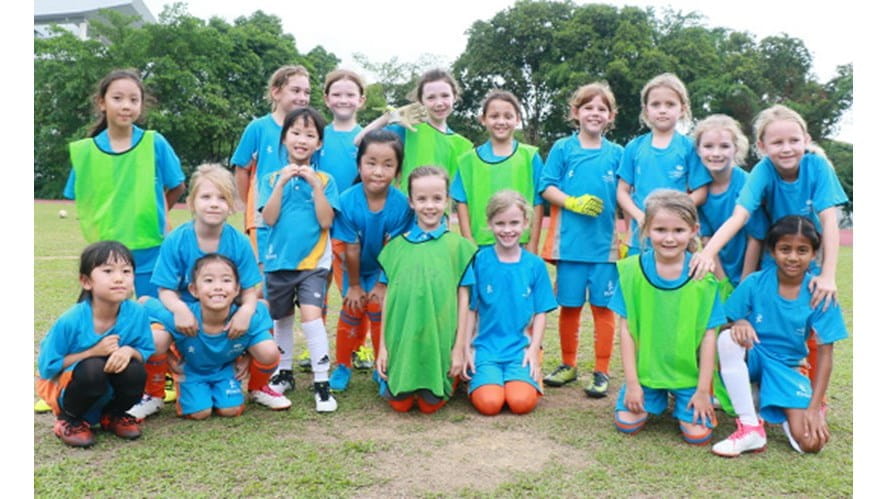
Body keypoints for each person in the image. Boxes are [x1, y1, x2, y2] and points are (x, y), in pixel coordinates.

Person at [689, 105, 849, 384]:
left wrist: (827, 275)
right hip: (777, 254)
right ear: (762, 146)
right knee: (771, 319)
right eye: (777, 142)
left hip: (812, 254)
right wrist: (708, 253)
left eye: (793, 141)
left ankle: (809, 388)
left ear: (806, 140)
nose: (786, 148)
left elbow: (829, 220)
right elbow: (740, 216)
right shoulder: (763, 171)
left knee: (810, 316)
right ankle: (765, 381)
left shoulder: (817, 166)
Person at [127, 164, 283, 420]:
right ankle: (153, 394)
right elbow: (165, 289)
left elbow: (250, 289)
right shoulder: (177, 239)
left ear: (232, 204)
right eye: (206, 196)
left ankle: (258, 387)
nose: (214, 204)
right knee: (156, 340)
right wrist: (179, 310)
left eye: (222, 198)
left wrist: (244, 312)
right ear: (191, 202)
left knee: (266, 342)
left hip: (224, 315)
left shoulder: (239, 242)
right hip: (186, 315)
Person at [711, 216, 848, 456]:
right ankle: (750, 426)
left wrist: (814, 409)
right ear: (773, 252)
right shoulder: (755, 282)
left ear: (814, 254)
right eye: (785, 249)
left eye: (802, 250)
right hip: (755, 354)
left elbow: (826, 355)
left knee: (811, 443)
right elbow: (724, 322)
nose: (793, 257)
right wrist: (740, 322)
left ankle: (774, 401)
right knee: (727, 339)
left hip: (788, 367)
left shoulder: (820, 294)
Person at [609, 190, 724, 445]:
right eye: (660, 229)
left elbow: (708, 338)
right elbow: (626, 332)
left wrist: (704, 391)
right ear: (646, 229)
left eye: (679, 231)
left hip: (688, 376)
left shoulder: (704, 278)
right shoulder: (631, 271)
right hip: (645, 374)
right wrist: (632, 384)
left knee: (698, 435)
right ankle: (651, 394)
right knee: (626, 424)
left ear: (693, 230)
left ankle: (685, 396)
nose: (669, 238)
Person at [64, 69, 185, 298]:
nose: (126, 105)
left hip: (151, 248)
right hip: (105, 252)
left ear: (141, 105)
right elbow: (80, 196)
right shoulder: (86, 151)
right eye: (117, 98)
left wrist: (156, 213)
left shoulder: (154, 142)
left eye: (133, 99)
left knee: (154, 317)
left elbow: (177, 184)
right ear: (102, 103)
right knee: (100, 320)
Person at [538, 82, 623, 397]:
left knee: (603, 308)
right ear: (576, 112)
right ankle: (568, 364)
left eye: (602, 108)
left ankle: (601, 370)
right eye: (588, 107)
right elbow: (546, 187)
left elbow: (627, 192)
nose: (595, 113)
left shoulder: (618, 153)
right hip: (569, 246)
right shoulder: (563, 148)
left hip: (605, 249)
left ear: (610, 116)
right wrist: (571, 201)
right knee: (570, 307)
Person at [375, 166, 477, 413]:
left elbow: (465, 300)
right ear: (411, 202)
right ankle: (399, 369)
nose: (429, 206)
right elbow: (387, 299)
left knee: (431, 406)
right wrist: (382, 347)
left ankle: (443, 375)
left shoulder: (458, 247)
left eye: (436, 198)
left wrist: (459, 347)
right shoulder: (395, 248)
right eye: (421, 199)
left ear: (447, 201)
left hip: (440, 337)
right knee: (400, 404)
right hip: (403, 337)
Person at [36, 241, 155, 447]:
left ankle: (114, 415)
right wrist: (92, 352)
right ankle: (70, 420)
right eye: (108, 271)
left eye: (126, 271)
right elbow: (47, 368)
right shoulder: (71, 320)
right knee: (93, 368)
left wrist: (128, 351)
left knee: (135, 370)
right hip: (71, 390)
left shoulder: (137, 313)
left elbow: (145, 349)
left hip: (106, 389)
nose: (119, 278)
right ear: (86, 281)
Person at [260, 107, 340, 412]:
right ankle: (285, 372)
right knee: (281, 319)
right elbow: (268, 218)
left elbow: (325, 221)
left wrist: (316, 187)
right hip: (278, 262)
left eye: (310, 135)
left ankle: (322, 383)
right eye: (295, 133)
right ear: (284, 139)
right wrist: (280, 183)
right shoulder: (270, 179)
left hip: (313, 264)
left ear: (319, 143)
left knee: (311, 316)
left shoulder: (325, 179)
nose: (302, 139)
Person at [141, 254, 285, 419]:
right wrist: (168, 358)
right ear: (194, 290)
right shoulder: (185, 317)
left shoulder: (244, 317)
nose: (218, 287)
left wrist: (250, 358)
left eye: (226, 280)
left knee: (230, 411)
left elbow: (263, 307)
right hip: (191, 370)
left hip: (226, 370)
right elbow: (145, 302)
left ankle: (259, 388)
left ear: (237, 289)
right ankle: (154, 394)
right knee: (199, 413)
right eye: (209, 281)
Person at [329, 130, 413, 392]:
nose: (378, 171)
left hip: (383, 268)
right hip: (349, 266)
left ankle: (382, 365)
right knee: (352, 307)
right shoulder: (347, 201)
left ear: (398, 170)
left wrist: (382, 283)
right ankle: (343, 365)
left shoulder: (401, 205)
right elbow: (350, 249)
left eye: (388, 165)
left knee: (378, 308)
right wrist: (354, 286)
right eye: (371, 163)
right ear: (359, 164)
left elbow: (394, 250)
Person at [462, 191, 556, 415]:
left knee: (521, 403)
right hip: (485, 348)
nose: (507, 230)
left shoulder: (535, 265)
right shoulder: (480, 261)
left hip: (518, 349)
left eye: (514, 222)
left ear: (525, 223)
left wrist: (533, 349)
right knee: (490, 404)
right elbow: (471, 310)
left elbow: (542, 312)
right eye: (500, 223)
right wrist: (465, 348)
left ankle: (529, 375)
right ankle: (480, 379)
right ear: (489, 224)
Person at [316, 69, 373, 370]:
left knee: (354, 286)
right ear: (326, 99)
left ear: (361, 100)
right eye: (336, 94)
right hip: (322, 222)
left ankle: (357, 347)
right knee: (318, 286)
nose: (343, 99)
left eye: (350, 94)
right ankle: (318, 347)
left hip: (355, 226)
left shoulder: (367, 136)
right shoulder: (318, 135)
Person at [616, 73, 710, 255]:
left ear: (682, 109)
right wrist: (640, 216)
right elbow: (622, 191)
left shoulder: (689, 147)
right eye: (656, 104)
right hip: (641, 236)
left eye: (670, 104)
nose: (662, 110)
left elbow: (701, 191)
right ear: (645, 110)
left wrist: (673, 213)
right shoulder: (634, 147)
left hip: (677, 236)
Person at [231, 65, 311, 262]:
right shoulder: (258, 128)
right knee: (266, 275)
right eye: (296, 90)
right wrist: (250, 204)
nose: (302, 97)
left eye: (307, 92)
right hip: (263, 216)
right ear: (276, 92)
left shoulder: (310, 130)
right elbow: (242, 169)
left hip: (297, 213)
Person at [452, 90, 544, 252]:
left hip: (520, 244)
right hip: (481, 246)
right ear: (483, 119)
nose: (501, 121)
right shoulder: (468, 161)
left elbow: (538, 203)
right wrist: (469, 242)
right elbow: (462, 203)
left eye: (508, 116)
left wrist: (533, 244)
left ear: (517, 119)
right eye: (494, 116)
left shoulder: (530, 157)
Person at [355, 68, 473, 191]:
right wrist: (389, 117)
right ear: (421, 100)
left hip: (439, 210)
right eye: (431, 97)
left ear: (454, 96)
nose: (439, 103)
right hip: (403, 208)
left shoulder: (462, 145)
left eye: (445, 96)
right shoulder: (406, 129)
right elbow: (359, 141)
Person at [694, 114, 767, 296]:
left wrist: (744, 283)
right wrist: (723, 282)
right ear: (698, 150)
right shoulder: (700, 190)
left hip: (751, 270)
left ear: (736, 149)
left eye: (724, 146)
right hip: (720, 270)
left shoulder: (748, 183)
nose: (716, 153)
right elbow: (707, 238)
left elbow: (755, 238)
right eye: (708, 146)